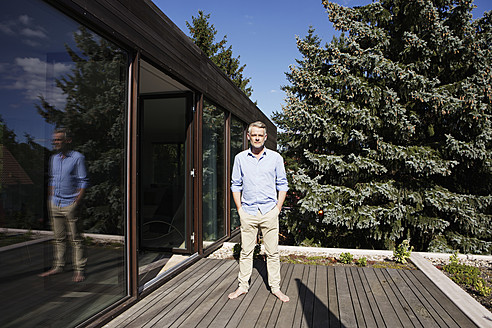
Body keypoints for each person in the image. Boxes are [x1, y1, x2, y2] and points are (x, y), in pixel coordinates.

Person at [228, 121, 290, 302]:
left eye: (260, 135)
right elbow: (235, 185)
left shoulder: (275, 158)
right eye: (253, 134)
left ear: (265, 137)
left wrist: (277, 208)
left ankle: (276, 288)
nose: (256, 137)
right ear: (248, 136)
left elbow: (283, 185)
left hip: (269, 211)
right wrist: (240, 209)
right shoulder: (240, 158)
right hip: (248, 212)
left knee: (272, 252)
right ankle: (242, 286)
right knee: (246, 252)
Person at [39, 128, 88, 282]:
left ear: (68, 141)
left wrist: (76, 202)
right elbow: (52, 179)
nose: (55, 143)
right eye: (54, 140)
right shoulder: (54, 159)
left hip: (70, 204)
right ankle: (58, 266)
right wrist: (50, 198)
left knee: (76, 239)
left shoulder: (78, 157)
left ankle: (79, 270)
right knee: (58, 238)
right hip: (55, 203)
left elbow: (83, 181)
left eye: (58, 140)